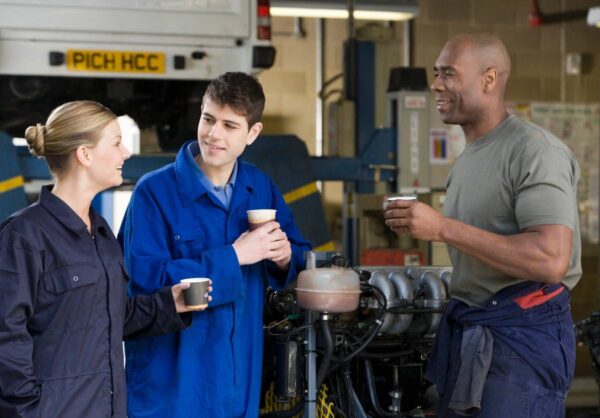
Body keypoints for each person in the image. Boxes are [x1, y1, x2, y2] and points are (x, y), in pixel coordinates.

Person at [384, 33, 581, 417]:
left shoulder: (535, 151)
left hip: (520, 341)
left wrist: (441, 228)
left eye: (449, 74)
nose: (436, 84)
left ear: (489, 80)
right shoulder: (470, 158)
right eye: (437, 73)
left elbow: (550, 259)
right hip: (476, 332)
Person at [0, 101, 212, 418]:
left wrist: (169, 304)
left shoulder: (100, 233)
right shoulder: (24, 236)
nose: (126, 152)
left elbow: (105, 318)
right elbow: (6, 338)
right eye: (115, 143)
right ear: (84, 155)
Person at [119, 71, 311, 418]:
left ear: (253, 133)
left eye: (229, 125)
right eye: (208, 119)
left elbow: (299, 254)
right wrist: (235, 255)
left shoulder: (259, 187)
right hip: (171, 387)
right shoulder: (154, 192)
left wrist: (285, 257)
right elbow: (142, 282)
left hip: (237, 386)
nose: (213, 134)